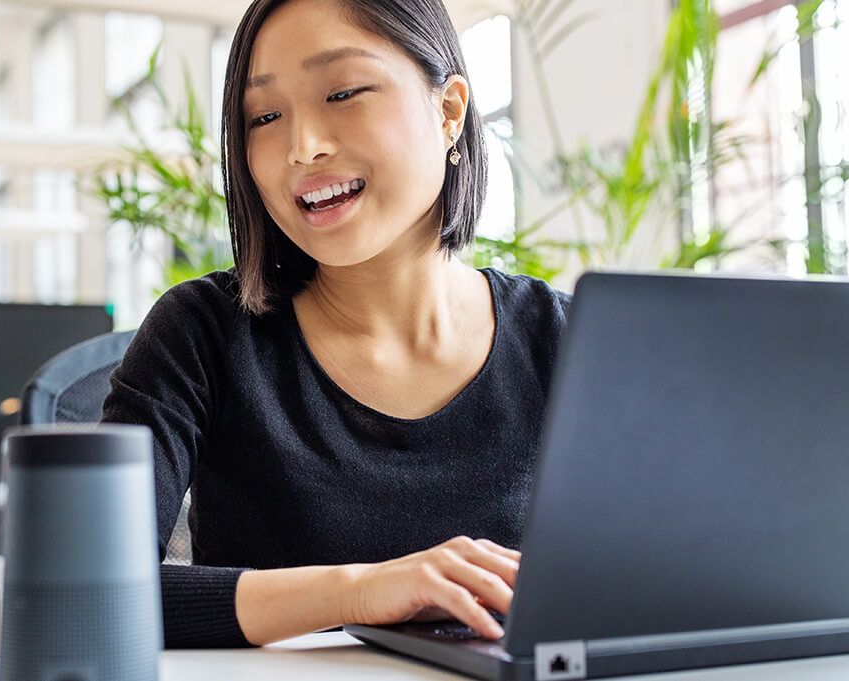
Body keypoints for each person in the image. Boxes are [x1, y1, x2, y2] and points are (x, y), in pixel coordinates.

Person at [101, 0, 570, 648]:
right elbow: (93, 592)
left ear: (449, 110)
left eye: (343, 92)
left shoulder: (567, 342)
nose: (302, 147)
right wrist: (357, 591)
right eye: (264, 116)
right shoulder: (201, 335)